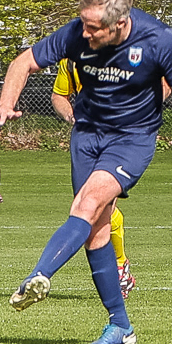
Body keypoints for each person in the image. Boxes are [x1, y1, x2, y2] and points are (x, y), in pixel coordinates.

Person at [0, 0, 172, 344]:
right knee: (96, 230)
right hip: (86, 135)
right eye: (83, 23)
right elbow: (23, 63)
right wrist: (5, 104)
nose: (85, 33)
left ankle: (39, 276)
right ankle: (120, 326)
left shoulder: (158, 39)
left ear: (120, 23)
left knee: (86, 203)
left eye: (94, 27)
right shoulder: (76, 33)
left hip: (131, 140)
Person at [50, 59, 134, 297]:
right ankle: (120, 264)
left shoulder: (126, 51)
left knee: (103, 202)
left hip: (121, 137)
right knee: (88, 206)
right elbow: (59, 95)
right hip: (86, 140)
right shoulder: (69, 60)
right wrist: (71, 116)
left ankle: (119, 267)